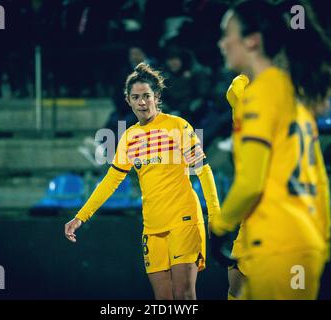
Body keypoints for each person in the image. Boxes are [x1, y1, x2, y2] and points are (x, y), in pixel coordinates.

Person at [210, 0, 331, 300]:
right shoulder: (296, 94)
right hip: (302, 240)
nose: (222, 43)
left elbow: (250, 183)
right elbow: (319, 178)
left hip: (278, 240)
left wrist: (218, 227)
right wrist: (321, 240)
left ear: (252, 40)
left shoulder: (256, 94)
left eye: (227, 33)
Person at [65, 63, 221, 300]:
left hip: (184, 220)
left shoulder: (177, 126)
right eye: (136, 97)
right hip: (152, 226)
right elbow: (111, 181)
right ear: (128, 100)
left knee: (185, 296)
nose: (142, 102)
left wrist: (215, 215)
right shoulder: (129, 137)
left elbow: (203, 170)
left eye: (147, 96)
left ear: (156, 97)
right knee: (163, 300)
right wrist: (80, 217)